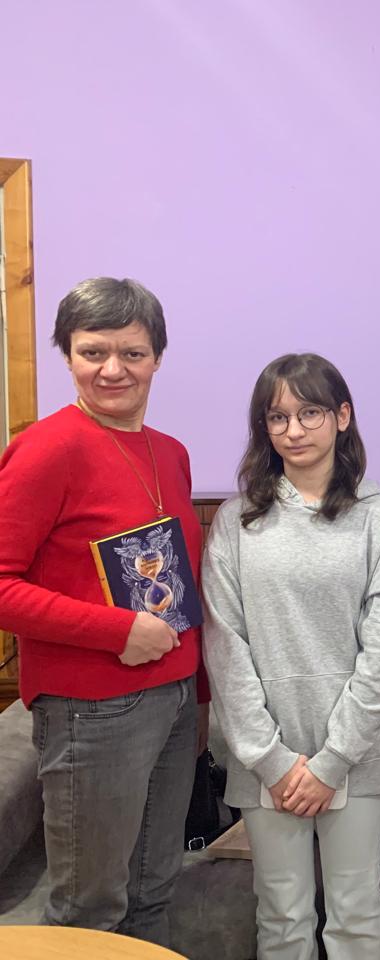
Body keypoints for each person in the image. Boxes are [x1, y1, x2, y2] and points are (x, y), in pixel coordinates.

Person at [0, 278, 203, 945]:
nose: (113, 369)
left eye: (132, 353)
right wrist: (115, 630)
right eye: (93, 352)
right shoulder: (47, 449)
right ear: (68, 356)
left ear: (157, 358)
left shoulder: (170, 452)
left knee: (153, 892)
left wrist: (198, 692)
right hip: (93, 711)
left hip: (174, 700)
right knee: (90, 911)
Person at [202, 353, 380, 960]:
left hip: (357, 755)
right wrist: (272, 760)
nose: (293, 430)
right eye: (277, 417)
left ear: (342, 416)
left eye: (310, 413)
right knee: (282, 915)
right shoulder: (237, 522)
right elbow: (226, 647)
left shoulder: (379, 520)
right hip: (266, 758)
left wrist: (332, 761)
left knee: (356, 913)